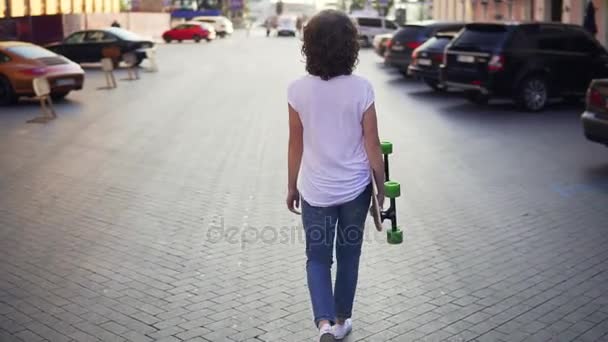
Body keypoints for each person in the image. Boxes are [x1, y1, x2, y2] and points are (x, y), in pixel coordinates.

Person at [286, 9, 385, 342]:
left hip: (315, 189)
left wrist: (290, 186)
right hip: (355, 189)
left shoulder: (297, 90)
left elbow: (295, 142)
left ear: (309, 46)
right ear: (350, 46)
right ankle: (342, 321)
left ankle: (324, 324)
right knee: (348, 255)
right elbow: (372, 143)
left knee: (317, 258)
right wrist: (380, 188)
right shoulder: (362, 89)